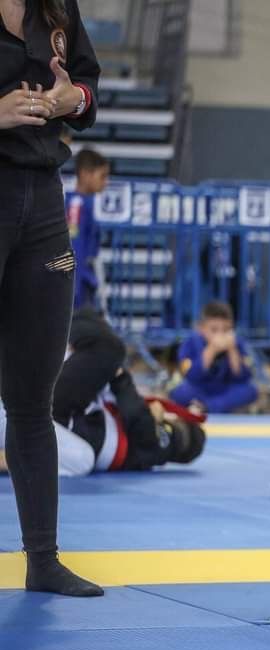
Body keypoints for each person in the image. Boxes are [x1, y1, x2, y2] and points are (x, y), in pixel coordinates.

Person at [1, 0, 103, 597]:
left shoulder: (57, 6)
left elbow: (88, 87)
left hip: (41, 203)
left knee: (32, 400)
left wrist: (73, 100)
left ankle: (42, 558)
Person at [0, 309, 206, 477]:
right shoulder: (145, 436)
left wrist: (121, 377)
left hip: (64, 420)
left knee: (110, 349)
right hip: (63, 415)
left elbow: (137, 419)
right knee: (96, 322)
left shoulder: (163, 443)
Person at [170, 301, 258, 414]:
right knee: (180, 391)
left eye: (226, 330)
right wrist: (211, 350)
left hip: (226, 389)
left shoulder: (237, 343)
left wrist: (232, 351)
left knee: (249, 391)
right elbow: (191, 375)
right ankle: (212, 406)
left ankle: (207, 407)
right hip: (200, 388)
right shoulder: (190, 343)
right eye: (214, 330)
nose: (220, 335)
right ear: (201, 328)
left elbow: (243, 377)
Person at [67, 146, 107, 310]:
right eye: (102, 176)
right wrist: (75, 290)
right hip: (78, 286)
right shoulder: (76, 205)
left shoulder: (85, 203)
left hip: (85, 284)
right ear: (84, 174)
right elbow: (74, 248)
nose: (105, 182)